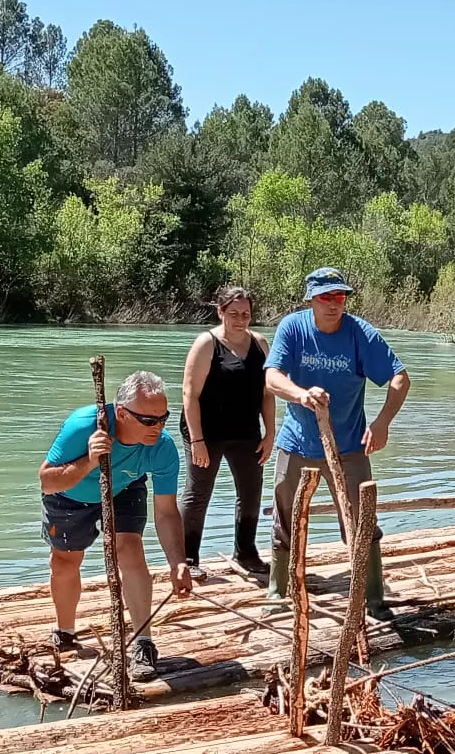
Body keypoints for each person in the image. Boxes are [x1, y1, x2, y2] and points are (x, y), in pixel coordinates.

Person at [263, 267, 411, 619]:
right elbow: (271, 378)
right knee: (286, 515)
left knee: (361, 519)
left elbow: (400, 378)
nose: (334, 304)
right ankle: (277, 590)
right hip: (296, 443)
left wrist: (382, 422)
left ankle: (372, 596)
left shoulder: (360, 333)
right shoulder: (293, 328)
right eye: (326, 297)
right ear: (311, 300)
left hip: (348, 446)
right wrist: (301, 395)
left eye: (340, 297)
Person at [38, 370, 194, 679]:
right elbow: (46, 481)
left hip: (124, 487)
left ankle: (143, 643)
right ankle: (65, 630)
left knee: (130, 549)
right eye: (149, 420)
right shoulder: (83, 425)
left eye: (163, 418)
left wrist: (178, 561)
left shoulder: (162, 449)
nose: (158, 427)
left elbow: (166, 512)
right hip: (72, 493)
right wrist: (90, 461)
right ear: (121, 413)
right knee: (65, 561)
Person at [179, 285, 277, 581]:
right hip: (205, 432)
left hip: (246, 431)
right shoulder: (206, 343)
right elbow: (189, 394)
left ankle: (246, 552)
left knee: (250, 493)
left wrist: (270, 433)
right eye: (233, 313)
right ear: (220, 312)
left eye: (246, 313)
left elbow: (268, 393)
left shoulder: (260, 343)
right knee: (198, 493)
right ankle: (188, 558)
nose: (240, 319)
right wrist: (196, 440)